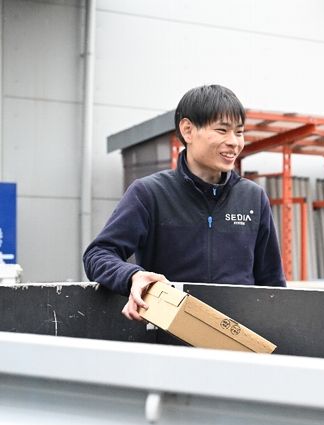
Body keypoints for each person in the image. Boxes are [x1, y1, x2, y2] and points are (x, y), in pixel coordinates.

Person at [84, 84, 285, 321]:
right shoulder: (149, 193)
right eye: (222, 130)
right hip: (167, 333)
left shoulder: (253, 197)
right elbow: (98, 254)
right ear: (188, 130)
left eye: (239, 132)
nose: (234, 142)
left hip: (237, 335)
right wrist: (132, 276)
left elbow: (272, 283)